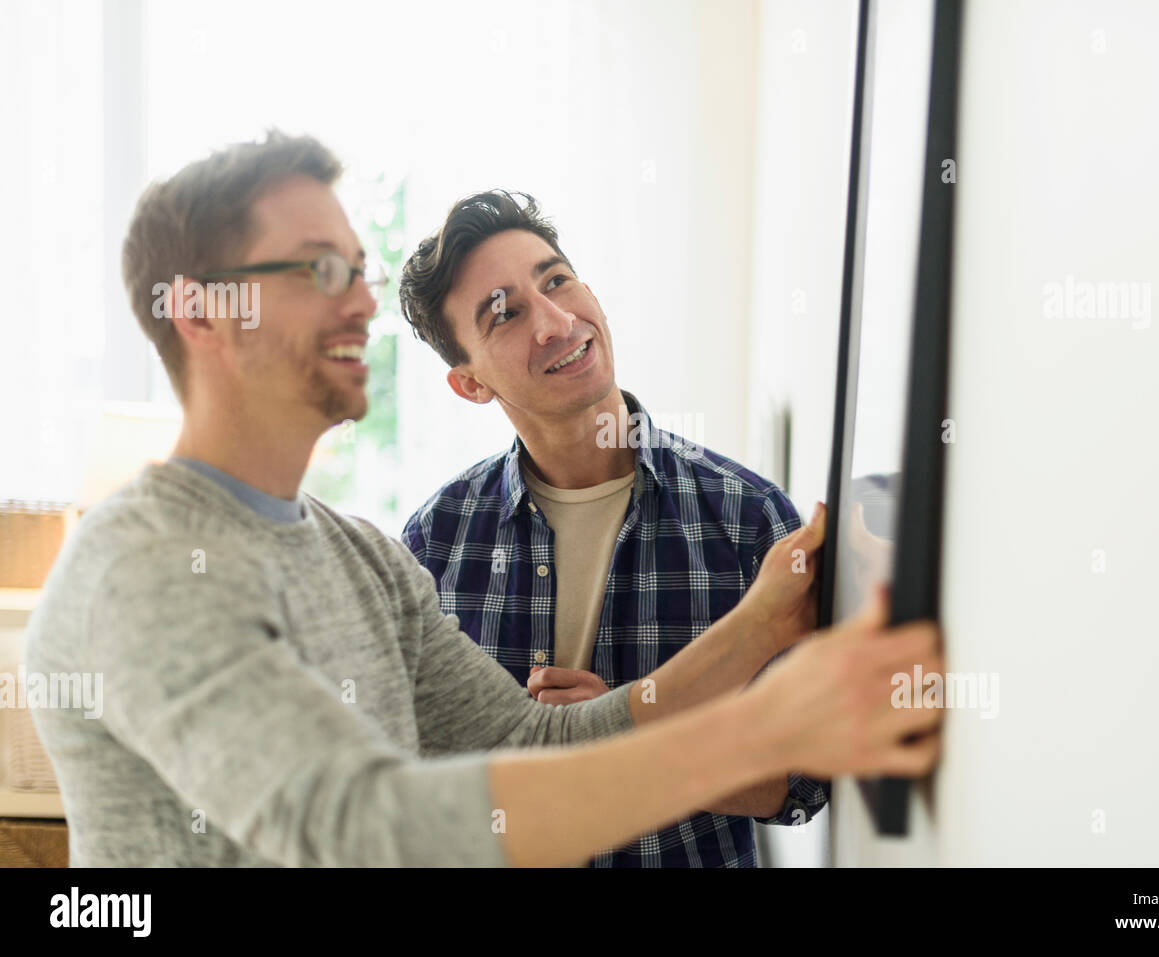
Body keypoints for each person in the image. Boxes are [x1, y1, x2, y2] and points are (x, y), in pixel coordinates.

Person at [25, 131, 942, 867]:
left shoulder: (369, 561)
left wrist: (761, 623)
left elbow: (537, 742)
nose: (359, 306)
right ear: (201, 313)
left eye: (358, 271)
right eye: (316, 271)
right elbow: (362, 826)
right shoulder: (143, 565)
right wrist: (764, 720)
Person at [398, 190, 828, 866]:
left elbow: (805, 776)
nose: (554, 321)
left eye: (556, 280)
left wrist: (632, 742)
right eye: (504, 313)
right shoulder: (433, 546)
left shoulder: (747, 519)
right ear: (470, 383)